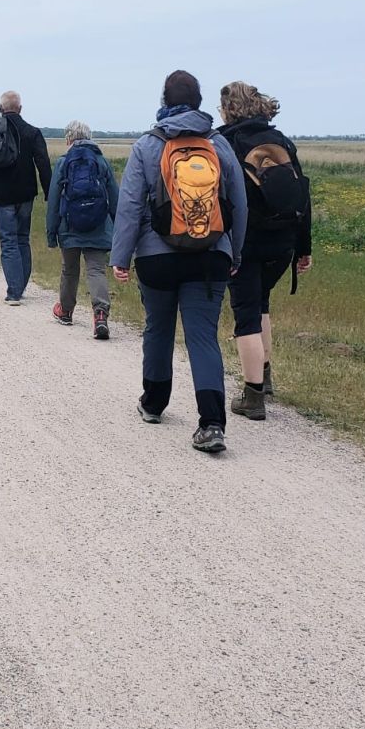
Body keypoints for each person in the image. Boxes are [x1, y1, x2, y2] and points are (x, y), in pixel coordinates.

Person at [111, 70, 247, 454]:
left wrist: (121, 256)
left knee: (158, 328)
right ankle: (212, 424)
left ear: (164, 100)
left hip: (156, 257)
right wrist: (234, 251)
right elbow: (239, 204)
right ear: (199, 101)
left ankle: (153, 403)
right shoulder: (218, 145)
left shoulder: (147, 145)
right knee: (202, 336)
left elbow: (130, 206)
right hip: (211, 255)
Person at [217, 81, 313, 420]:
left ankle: (253, 396)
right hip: (283, 242)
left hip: (245, 242)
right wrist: (304, 248)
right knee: (262, 304)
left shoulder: (226, 142)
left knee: (246, 315)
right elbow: (304, 196)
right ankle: (266, 377)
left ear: (229, 108)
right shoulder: (281, 141)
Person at [46, 120, 120, 339]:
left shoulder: (63, 162)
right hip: (99, 226)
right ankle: (100, 315)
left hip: (69, 226)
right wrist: (119, 230)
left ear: (69, 138)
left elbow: (53, 201)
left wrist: (51, 233)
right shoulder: (102, 161)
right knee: (96, 270)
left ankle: (65, 311)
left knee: (69, 270)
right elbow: (115, 198)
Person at [0, 91, 51, 306]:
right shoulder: (32, 132)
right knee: (22, 238)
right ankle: (19, 286)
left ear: (1, 108)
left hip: (1, 194)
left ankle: (14, 292)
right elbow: (43, 164)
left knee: (8, 241)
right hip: (25, 193)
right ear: (20, 108)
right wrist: (49, 192)